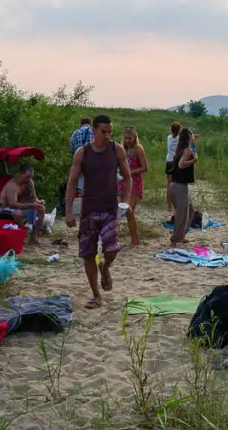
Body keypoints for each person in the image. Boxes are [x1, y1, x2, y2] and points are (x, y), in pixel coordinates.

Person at [65, 114, 132, 309]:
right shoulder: (82, 153)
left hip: (110, 208)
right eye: (103, 132)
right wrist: (69, 210)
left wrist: (125, 201)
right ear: (93, 131)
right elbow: (71, 182)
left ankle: (105, 266)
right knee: (88, 253)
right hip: (89, 209)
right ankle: (96, 295)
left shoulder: (117, 150)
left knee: (112, 249)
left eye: (110, 131)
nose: (107, 135)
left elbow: (127, 177)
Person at [0, 165, 46, 246]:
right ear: (20, 174)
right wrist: (31, 205)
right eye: (27, 177)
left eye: (31, 177)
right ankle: (23, 235)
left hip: (21, 206)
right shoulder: (12, 185)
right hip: (5, 209)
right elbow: (12, 204)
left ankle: (33, 237)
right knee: (18, 213)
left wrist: (39, 202)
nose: (29, 179)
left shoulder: (29, 182)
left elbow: (34, 199)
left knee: (41, 209)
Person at [119, 126, 148, 247]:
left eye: (129, 138)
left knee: (128, 211)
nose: (127, 140)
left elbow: (145, 167)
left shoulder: (138, 148)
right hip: (121, 182)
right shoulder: (121, 148)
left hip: (135, 183)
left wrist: (130, 172)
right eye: (125, 138)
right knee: (120, 212)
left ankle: (135, 239)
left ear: (134, 137)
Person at [168, 128, 197, 247]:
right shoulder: (187, 151)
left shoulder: (182, 149)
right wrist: (194, 160)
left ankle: (181, 236)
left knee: (190, 210)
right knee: (182, 214)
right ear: (189, 137)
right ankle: (174, 240)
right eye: (192, 136)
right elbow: (181, 165)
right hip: (179, 186)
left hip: (176, 185)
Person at [70, 117, 94, 194]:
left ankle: (81, 193)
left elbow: (72, 148)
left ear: (81, 124)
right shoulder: (92, 131)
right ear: (90, 124)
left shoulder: (75, 133)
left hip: (78, 160)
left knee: (80, 179)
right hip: (90, 159)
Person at [164, 122, 182, 213]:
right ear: (179, 130)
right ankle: (176, 206)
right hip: (175, 162)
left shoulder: (169, 137)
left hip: (168, 162)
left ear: (171, 130)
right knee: (176, 184)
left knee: (169, 184)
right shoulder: (180, 138)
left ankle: (169, 206)